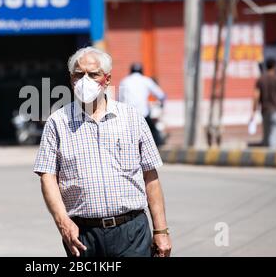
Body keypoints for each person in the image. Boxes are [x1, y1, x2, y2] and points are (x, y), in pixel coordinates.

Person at [33, 47, 172, 257]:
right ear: (71, 79)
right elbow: (47, 176)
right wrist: (63, 222)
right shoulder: (57, 123)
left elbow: (150, 177)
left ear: (106, 80)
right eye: (79, 74)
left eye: (93, 74)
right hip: (82, 235)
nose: (85, 80)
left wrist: (161, 230)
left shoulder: (132, 118)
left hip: (131, 232)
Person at [119, 63, 166, 146]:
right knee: (153, 134)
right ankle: (158, 149)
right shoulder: (146, 80)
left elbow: (119, 98)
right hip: (143, 114)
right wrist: (162, 103)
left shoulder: (124, 81)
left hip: (127, 115)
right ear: (141, 71)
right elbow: (161, 95)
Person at [250, 58, 276, 149]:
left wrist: (253, 112)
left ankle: (267, 159)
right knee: (274, 137)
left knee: (266, 137)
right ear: (275, 67)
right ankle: (272, 160)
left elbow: (256, 97)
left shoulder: (261, 80)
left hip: (265, 111)